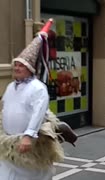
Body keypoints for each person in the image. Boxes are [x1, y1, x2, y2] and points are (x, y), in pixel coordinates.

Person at [0, 19, 66, 180]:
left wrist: (28, 136)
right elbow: (4, 109)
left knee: (35, 173)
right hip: (10, 143)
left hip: (28, 144)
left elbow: (38, 113)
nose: (16, 68)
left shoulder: (38, 88)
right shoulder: (10, 87)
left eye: (21, 66)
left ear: (30, 69)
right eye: (15, 65)